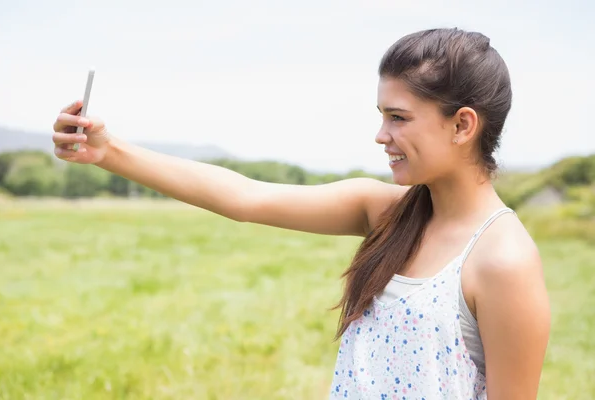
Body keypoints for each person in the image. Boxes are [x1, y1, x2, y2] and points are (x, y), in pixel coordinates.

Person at [52, 28, 550, 399]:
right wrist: (108, 151)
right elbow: (245, 198)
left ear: (462, 124)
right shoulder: (385, 211)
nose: (381, 136)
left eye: (398, 118)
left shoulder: (503, 262)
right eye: (381, 116)